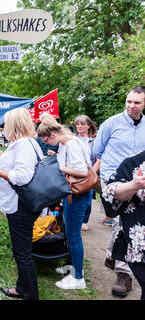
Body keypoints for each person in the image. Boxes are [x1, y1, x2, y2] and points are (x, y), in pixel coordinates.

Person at [0, 107, 44, 300]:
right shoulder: (24, 143)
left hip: (21, 207)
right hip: (21, 205)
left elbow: (22, 176)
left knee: (22, 253)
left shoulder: (24, 144)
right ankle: (21, 288)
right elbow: (15, 163)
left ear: (14, 124)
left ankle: (31, 296)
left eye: (7, 123)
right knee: (21, 250)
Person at [93, 85, 145, 297]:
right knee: (121, 223)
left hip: (141, 187)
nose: (132, 106)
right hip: (116, 183)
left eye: (137, 103)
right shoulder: (111, 124)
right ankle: (123, 275)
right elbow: (97, 151)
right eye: (129, 101)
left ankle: (113, 254)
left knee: (126, 227)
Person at [37, 113, 92, 290]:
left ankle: (78, 278)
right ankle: (73, 268)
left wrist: (57, 167)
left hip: (76, 195)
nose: (47, 144)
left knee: (74, 236)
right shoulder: (68, 143)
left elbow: (82, 171)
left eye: (46, 141)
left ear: (52, 135)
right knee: (70, 233)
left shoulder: (71, 144)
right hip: (72, 195)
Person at [101, 150, 145, 300]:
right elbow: (110, 192)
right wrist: (134, 185)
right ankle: (123, 274)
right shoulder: (136, 162)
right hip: (141, 242)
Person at [74, 115, 100, 231]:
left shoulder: (95, 141)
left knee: (88, 200)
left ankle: (84, 220)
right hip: (74, 174)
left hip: (90, 174)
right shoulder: (72, 140)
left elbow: (99, 160)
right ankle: (73, 219)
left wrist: (90, 175)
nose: (79, 126)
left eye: (82, 124)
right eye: (77, 124)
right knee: (73, 197)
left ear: (88, 126)